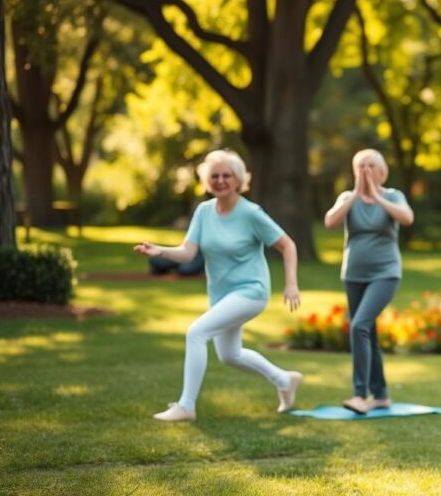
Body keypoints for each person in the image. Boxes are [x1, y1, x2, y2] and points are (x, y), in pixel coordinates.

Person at [133, 149, 303, 422]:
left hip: (251, 290)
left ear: (238, 180)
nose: (221, 180)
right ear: (206, 180)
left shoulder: (251, 213)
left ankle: (186, 406)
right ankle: (284, 380)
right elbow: (188, 253)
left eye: (227, 175)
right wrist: (160, 251)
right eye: (215, 176)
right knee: (229, 355)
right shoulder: (203, 212)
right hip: (222, 294)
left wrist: (291, 284)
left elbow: (288, 245)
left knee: (196, 333)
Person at [324, 148, 414, 414]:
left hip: (385, 273)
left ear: (382, 170)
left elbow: (407, 218)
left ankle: (360, 394)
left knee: (359, 326)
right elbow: (330, 221)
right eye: (361, 165)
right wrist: (356, 194)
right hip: (353, 274)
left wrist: (376, 196)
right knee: (368, 333)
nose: (366, 170)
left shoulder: (393, 196)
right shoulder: (347, 198)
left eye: (371, 165)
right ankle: (382, 394)